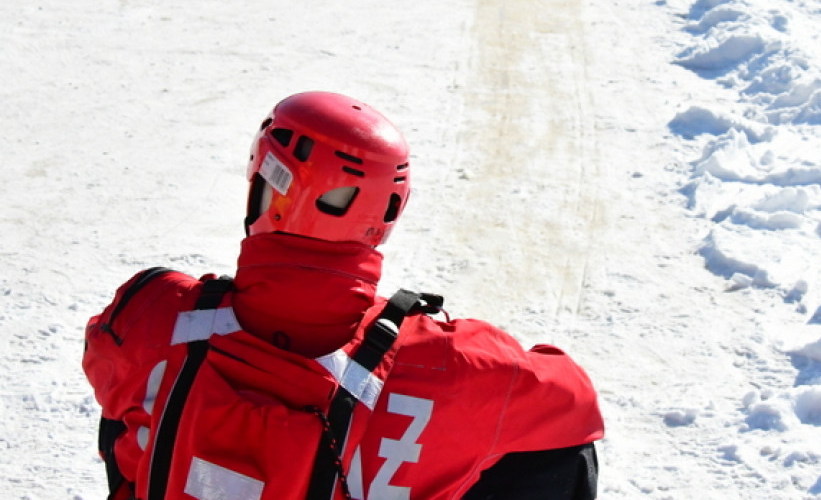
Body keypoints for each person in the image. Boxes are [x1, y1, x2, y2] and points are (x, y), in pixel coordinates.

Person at [83, 91, 603, 500]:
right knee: (555, 454)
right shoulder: (443, 363)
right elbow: (573, 405)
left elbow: (105, 374)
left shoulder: (151, 311)